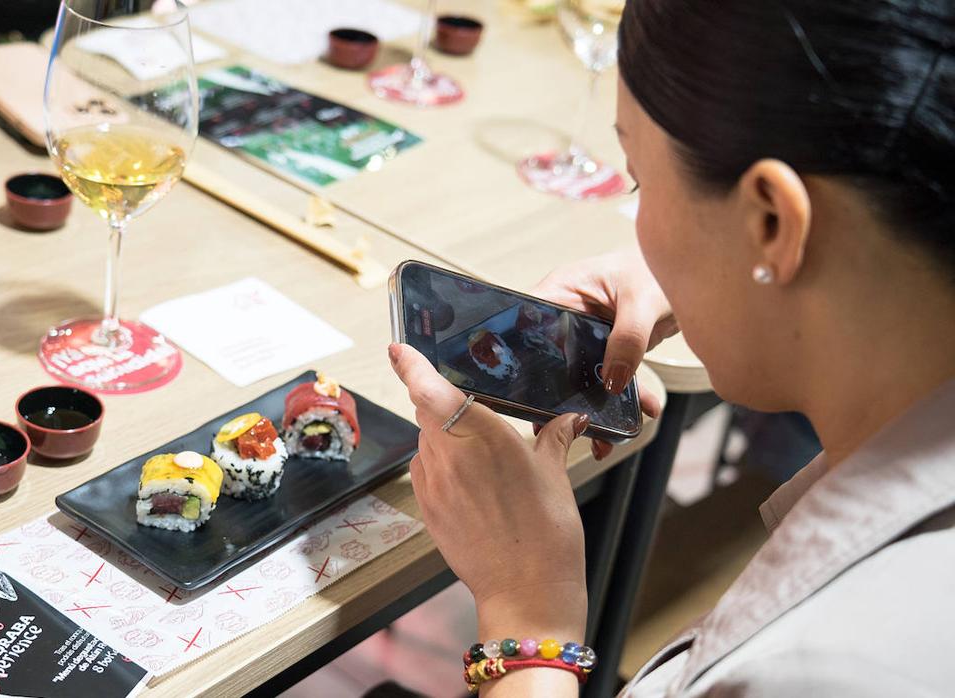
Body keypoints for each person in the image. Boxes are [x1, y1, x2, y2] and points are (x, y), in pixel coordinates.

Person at [388, 0, 955, 695]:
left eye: (640, 180)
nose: (638, 240)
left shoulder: (833, 668)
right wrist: (733, 274)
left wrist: (528, 613)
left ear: (772, 220)